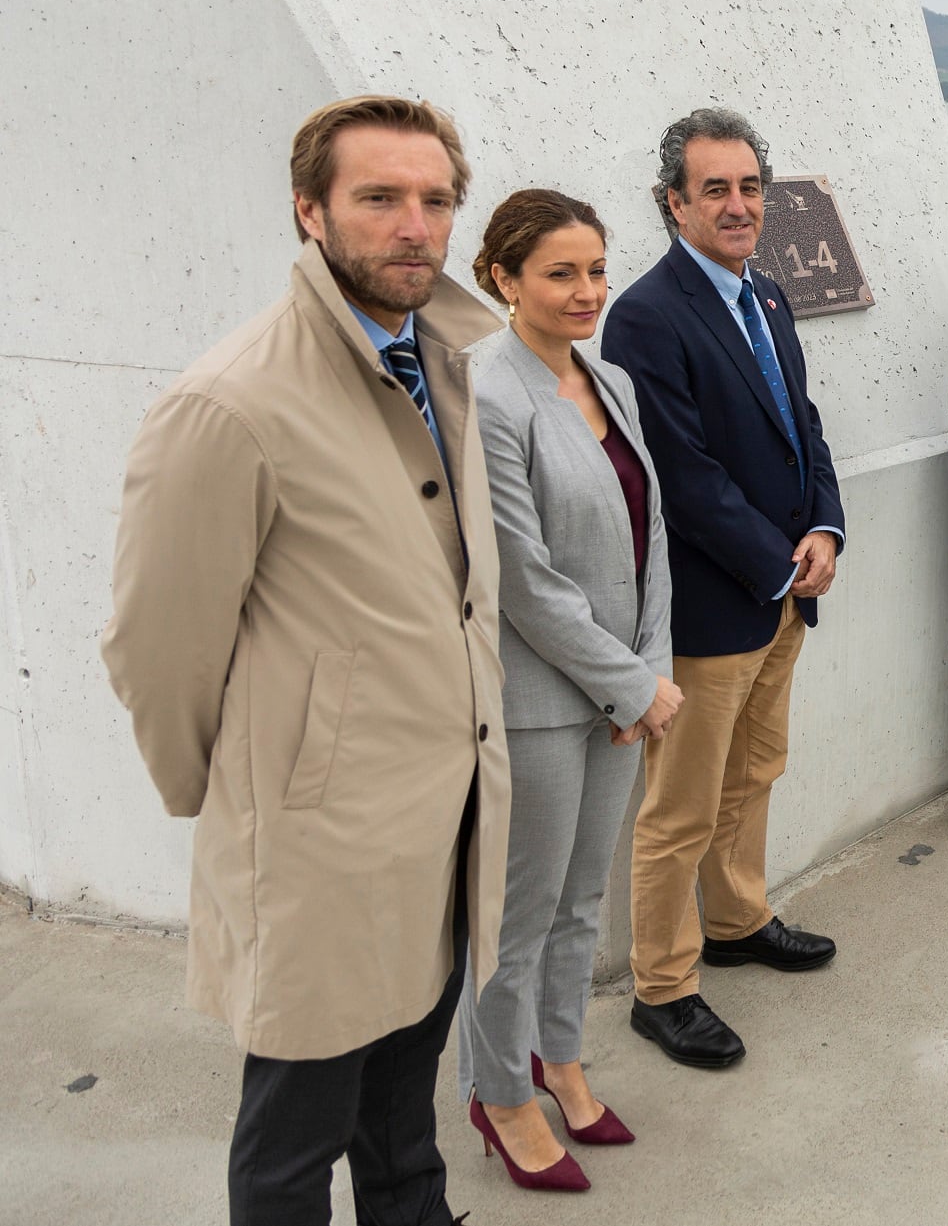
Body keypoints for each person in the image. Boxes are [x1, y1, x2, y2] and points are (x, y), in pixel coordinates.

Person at [101, 96, 509, 1225]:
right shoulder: (229, 404)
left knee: (401, 1112)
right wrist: (246, 792)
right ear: (310, 212)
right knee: (292, 1141)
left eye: (433, 200)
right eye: (378, 197)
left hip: (445, 819)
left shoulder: (462, 360)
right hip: (322, 844)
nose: (413, 225)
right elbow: (155, 644)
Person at [602, 106, 844, 1070]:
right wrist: (779, 559)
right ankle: (662, 987)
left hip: (783, 591)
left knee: (755, 771)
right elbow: (683, 473)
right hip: (713, 606)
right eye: (716, 189)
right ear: (675, 204)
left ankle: (738, 919)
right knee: (679, 806)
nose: (739, 205)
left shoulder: (768, 294)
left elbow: (804, 426)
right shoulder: (647, 315)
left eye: (750, 187)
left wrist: (824, 527)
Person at [456, 190, 680, 1191]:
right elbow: (522, 578)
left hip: (619, 695)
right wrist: (630, 685)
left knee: (585, 897)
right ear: (503, 277)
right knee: (521, 911)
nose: (588, 290)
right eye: (560, 272)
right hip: (538, 701)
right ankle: (500, 1089)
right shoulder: (482, 394)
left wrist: (647, 677)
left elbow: (650, 537)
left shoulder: (613, 378)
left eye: (596, 268)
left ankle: (562, 1058)